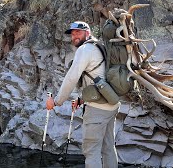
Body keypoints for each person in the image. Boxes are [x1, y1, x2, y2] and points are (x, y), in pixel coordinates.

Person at [47, 21, 120, 168]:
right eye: (72, 34)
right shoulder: (100, 47)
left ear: (88, 33)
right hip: (111, 105)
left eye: (78, 33)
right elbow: (100, 77)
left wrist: (56, 101)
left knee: (91, 151)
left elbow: (72, 77)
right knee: (108, 148)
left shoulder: (85, 49)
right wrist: (81, 99)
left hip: (97, 110)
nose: (74, 36)